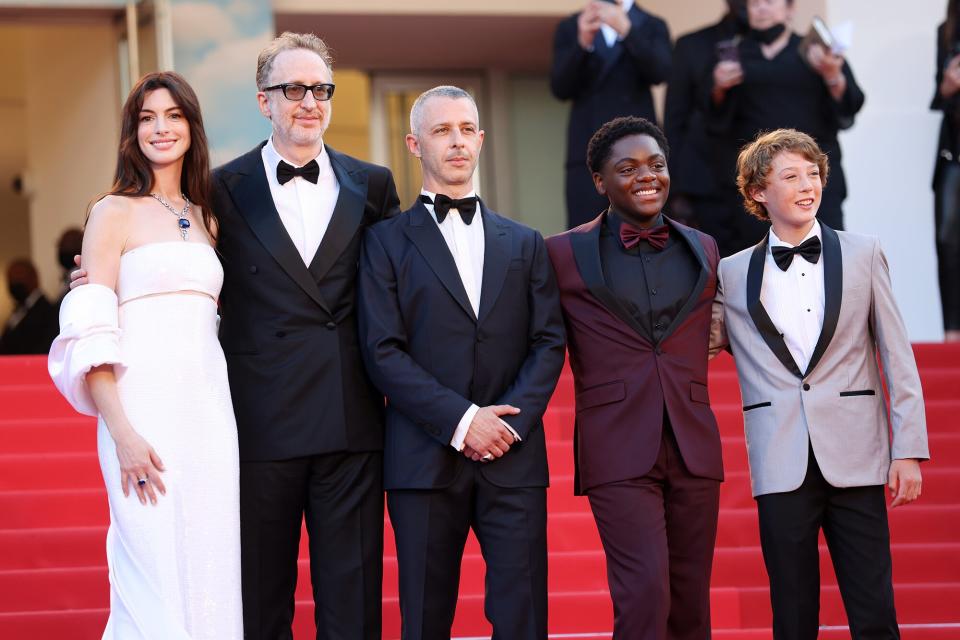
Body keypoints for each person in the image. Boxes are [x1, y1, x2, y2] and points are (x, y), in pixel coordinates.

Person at [356, 86, 566, 640]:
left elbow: (549, 343)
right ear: (414, 144)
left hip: (513, 457)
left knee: (524, 619)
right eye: (441, 130)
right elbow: (382, 351)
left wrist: (504, 427)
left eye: (466, 129)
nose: (456, 142)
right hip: (422, 460)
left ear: (480, 138)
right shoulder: (383, 243)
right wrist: (462, 420)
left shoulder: (525, 242)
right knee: (424, 619)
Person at [211, 32, 400, 639]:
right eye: (293, 89)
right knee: (261, 598)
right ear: (264, 101)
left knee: (353, 601)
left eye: (321, 89)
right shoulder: (217, 188)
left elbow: (405, 280)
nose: (309, 102)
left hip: (350, 419)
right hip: (258, 419)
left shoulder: (373, 184)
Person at [709, 129, 929, 640]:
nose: (807, 185)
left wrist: (909, 448)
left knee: (873, 608)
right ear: (759, 192)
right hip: (779, 456)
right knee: (792, 613)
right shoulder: (731, 272)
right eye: (790, 176)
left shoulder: (863, 253)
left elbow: (898, 355)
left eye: (813, 174)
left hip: (858, 453)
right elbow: (702, 345)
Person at [48, 71, 243, 638]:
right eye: (147, 118)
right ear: (133, 133)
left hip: (208, 416)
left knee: (210, 568)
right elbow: (92, 330)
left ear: (192, 127)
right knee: (151, 572)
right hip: (141, 414)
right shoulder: (112, 211)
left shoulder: (208, 217)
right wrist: (123, 432)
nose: (162, 128)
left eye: (174, 116)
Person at [545, 116, 723, 640]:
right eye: (628, 168)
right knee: (645, 593)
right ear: (600, 182)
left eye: (657, 165)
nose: (647, 176)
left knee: (690, 604)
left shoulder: (705, 248)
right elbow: (534, 339)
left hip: (693, 443)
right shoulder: (561, 254)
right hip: (616, 447)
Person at [706, 0, 864, 253]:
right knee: (756, 260)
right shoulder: (733, 55)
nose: (761, 8)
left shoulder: (815, 52)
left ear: (790, 9)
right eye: (754, 4)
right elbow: (714, 118)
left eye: (770, 2)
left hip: (813, 177)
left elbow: (849, 107)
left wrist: (832, 74)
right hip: (760, 181)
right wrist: (719, 88)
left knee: (828, 256)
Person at [551, 0, 671, 229]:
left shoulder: (652, 24)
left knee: (643, 228)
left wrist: (627, 31)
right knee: (585, 233)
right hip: (586, 152)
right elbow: (560, 87)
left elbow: (661, 71)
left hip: (639, 150)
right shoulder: (571, 26)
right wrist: (583, 43)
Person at [663, 0, 748, 254]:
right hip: (704, 184)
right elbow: (674, 121)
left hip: (760, 180)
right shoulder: (691, 45)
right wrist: (675, 191)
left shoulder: (774, 48)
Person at [932, 0, 960, 341]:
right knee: (948, 242)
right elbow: (938, 96)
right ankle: (953, 334)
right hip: (953, 152)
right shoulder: (947, 29)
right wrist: (948, 85)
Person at [1, 258, 58, 355]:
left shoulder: (47, 312)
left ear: (34, 277)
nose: (14, 282)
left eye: (19, 276)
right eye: (11, 278)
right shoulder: (18, 311)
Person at [55, 227, 84, 306]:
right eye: (62, 245)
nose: (65, 249)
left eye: (70, 244)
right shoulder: (65, 280)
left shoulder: (82, 277)